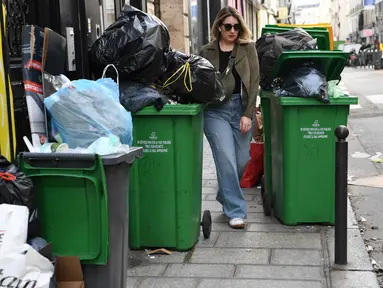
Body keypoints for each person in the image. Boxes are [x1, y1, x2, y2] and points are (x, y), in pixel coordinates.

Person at [199, 7, 260, 229]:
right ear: (219, 28)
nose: (232, 30)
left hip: (240, 109)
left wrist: (247, 114)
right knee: (225, 158)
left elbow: (254, 84)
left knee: (242, 160)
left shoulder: (248, 48)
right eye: (228, 26)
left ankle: (225, 194)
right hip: (215, 112)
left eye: (236, 26)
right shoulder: (206, 51)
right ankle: (236, 211)